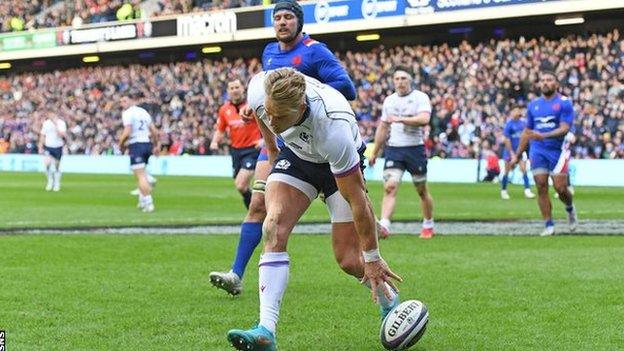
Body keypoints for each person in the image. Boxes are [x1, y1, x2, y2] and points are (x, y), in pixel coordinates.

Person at [227, 68, 402, 351]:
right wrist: (272, 150)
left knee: (348, 260)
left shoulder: (334, 129)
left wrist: (372, 256)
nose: (272, 120)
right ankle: (265, 331)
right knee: (272, 226)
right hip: (297, 156)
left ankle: (389, 301)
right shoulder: (261, 89)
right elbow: (262, 115)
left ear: (301, 107)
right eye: (269, 112)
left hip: (338, 169)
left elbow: (358, 200)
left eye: (279, 117)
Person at [209, 0, 357, 296]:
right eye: (277, 18)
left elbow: (347, 88)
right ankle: (236, 273)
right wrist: (258, 107)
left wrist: (300, 91)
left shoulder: (315, 51)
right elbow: (266, 93)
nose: (282, 22)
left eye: (288, 17)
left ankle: (366, 237)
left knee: (345, 202)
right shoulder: (269, 52)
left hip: (313, 138)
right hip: (276, 140)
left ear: (299, 22)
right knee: (257, 205)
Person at [369, 66, 435, 239]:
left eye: (404, 78)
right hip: (394, 149)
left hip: (415, 148)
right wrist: (375, 152)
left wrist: (400, 119)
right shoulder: (389, 101)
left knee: (421, 189)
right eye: (397, 79)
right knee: (389, 187)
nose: (400, 82)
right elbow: (383, 127)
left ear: (410, 80)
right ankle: (384, 226)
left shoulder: (420, 97)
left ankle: (428, 223)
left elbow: (424, 119)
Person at [511, 69, 578, 236]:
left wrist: (544, 135)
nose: (546, 82)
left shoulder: (564, 103)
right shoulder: (533, 105)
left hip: (557, 149)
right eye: (543, 80)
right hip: (538, 149)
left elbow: (564, 129)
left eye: (549, 79)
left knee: (560, 188)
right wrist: (517, 155)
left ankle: (569, 208)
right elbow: (527, 132)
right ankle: (548, 225)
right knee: (541, 185)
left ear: (556, 84)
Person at [210, 78, 262, 210]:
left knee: (241, 184)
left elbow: (266, 124)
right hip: (236, 151)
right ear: (228, 91)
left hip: (252, 149)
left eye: (237, 87)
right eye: (232, 88)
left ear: (243, 89)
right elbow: (220, 129)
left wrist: (263, 140)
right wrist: (215, 141)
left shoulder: (252, 106)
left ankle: (255, 211)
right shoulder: (224, 109)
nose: (235, 90)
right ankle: (256, 212)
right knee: (242, 187)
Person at [118, 94, 160, 213]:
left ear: (132, 100)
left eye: (125, 100)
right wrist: (156, 145)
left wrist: (120, 144)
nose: (122, 103)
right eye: (121, 101)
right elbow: (153, 130)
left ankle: (148, 202)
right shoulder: (143, 112)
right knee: (141, 173)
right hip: (147, 144)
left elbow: (127, 132)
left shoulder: (127, 114)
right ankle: (142, 200)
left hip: (136, 144)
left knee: (140, 176)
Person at [500, 104, 536, 200]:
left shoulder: (523, 123)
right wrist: (511, 153)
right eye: (515, 110)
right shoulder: (509, 124)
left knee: (524, 169)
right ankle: (504, 190)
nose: (517, 112)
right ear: (511, 112)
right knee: (507, 171)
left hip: (520, 151)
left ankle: (527, 190)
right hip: (509, 152)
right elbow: (506, 139)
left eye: (518, 110)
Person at [39, 112, 67, 192]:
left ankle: (57, 183)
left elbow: (62, 135)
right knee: (47, 164)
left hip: (58, 146)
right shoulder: (46, 123)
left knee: (57, 166)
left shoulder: (61, 123)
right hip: (48, 146)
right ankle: (50, 181)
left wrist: (56, 125)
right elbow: (42, 135)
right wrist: (40, 146)